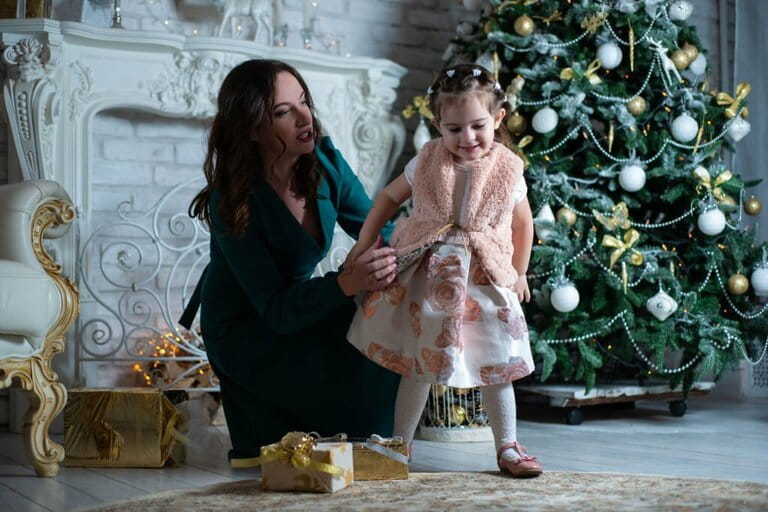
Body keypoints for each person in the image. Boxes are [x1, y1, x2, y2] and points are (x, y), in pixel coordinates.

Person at [181, 59, 400, 462]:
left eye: (304, 101)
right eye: (284, 112)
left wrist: (386, 255)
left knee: (379, 326)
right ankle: (362, 446)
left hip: (299, 307)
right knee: (356, 342)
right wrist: (346, 283)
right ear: (252, 129)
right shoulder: (234, 201)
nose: (306, 117)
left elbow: (382, 228)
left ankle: (373, 447)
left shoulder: (326, 163)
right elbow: (276, 310)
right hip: (249, 330)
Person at [346, 63, 542, 477]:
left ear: (498, 118)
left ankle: (506, 444)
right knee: (419, 363)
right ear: (438, 124)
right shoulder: (428, 160)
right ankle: (401, 443)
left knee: (496, 362)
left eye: (477, 126)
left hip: (485, 276)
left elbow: (523, 224)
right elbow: (386, 197)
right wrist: (364, 245)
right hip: (431, 276)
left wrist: (519, 272)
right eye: (454, 129)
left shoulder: (508, 168)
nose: (467, 138)